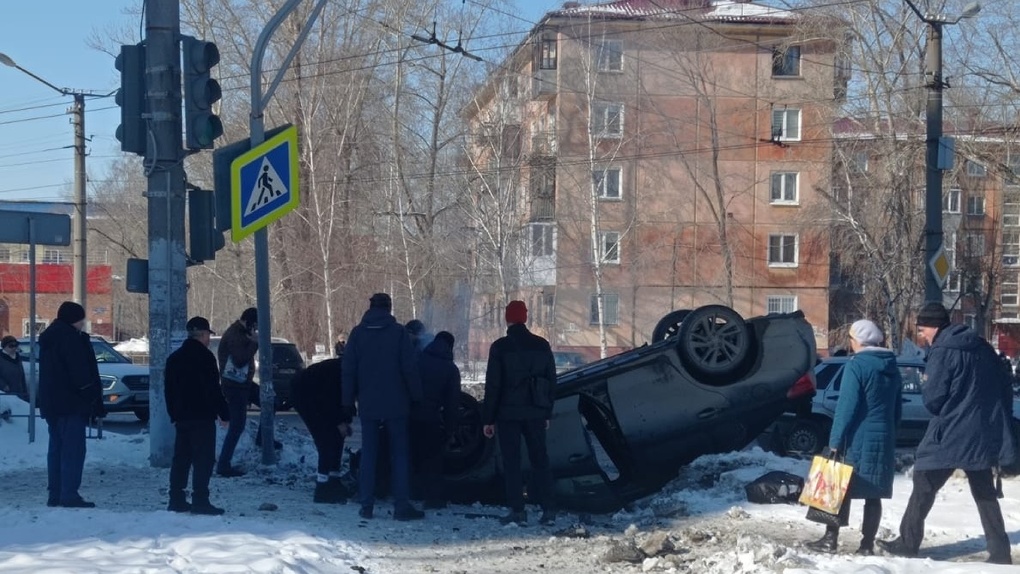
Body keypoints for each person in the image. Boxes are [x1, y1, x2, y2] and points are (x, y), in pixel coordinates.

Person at [877, 302, 1015, 565]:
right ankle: (1000, 553)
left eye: (923, 329)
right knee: (984, 491)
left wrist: (926, 385)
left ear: (935, 327)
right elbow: (1003, 385)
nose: (922, 336)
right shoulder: (981, 347)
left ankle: (908, 542)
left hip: (950, 432)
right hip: (981, 432)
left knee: (924, 482)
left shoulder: (943, 351)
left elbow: (933, 400)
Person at [804, 319, 902, 555]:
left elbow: (846, 407)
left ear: (858, 341)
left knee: (839, 483)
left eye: (851, 339)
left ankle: (830, 539)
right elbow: (897, 409)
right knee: (874, 493)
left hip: (857, 437)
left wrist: (835, 441)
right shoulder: (892, 366)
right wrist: (890, 433)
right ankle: (866, 545)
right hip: (883, 437)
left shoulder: (857, 366)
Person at [342, 293, 425, 521]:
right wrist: (417, 397)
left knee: (369, 452)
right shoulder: (398, 333)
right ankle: (401, 506)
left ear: (370, 308)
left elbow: (348, 370)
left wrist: (347, 402)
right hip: (397, 404)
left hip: (368, 403)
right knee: (399, 454)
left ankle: (366, 505)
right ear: (389, 308)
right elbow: (409, 368)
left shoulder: (357, 333)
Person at [482, 300, 557, 526]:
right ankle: (549, 509)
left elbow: (493, 385)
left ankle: (518, 511)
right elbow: (551, 381)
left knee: (511, 462)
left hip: (507, 414)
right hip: (535, 412)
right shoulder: (542, 345)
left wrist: (488, 418)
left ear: (507, 318)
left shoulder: (500, 347)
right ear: (525, 318)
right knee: (540, 460)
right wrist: (547, 412)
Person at [37, 301, 104, 508]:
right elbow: (80, 373)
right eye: (81, 319)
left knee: (56, 448)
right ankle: (69, 494)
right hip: (71, 402)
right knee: (73, 450)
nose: (82, 323)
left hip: (51, 403)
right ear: (74, 319)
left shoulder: (49, 339)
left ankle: (55, 493)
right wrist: (92, 395)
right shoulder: (71, 340)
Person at [165, 317, 230, 515]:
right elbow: (212, 389)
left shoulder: (174, 358)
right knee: (203, 459)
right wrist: (223, 413)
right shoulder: (205, 358)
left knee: (181, 458)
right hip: (202, 416)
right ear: (203, 335)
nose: (209, 339)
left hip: (182, 417)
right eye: (208, 335)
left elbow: (168, 390)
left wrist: (173, 414)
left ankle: (176, 498)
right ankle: (200, 499)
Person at [291, 357, 353, 504]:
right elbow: (328, 398)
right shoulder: (340, 371)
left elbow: (346, 399)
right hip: (304, 393)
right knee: (325, 439)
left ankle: (334, 479)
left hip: (317, 394)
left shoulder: (351, 369)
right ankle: (322, 487)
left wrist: (346, 421)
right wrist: (339, 421)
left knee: (337, 436)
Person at [410, 330, 461, 508]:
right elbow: (452, 404)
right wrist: (450, 430)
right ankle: (433, 499)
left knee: (409, 455)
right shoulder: (450, 369)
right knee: (432, 459)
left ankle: (409, 491)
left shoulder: (417, 360)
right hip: (431, 419)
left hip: (409, 416)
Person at [216, 307, 259, 477]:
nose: (255, 329)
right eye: (255, 325)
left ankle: (264, 439)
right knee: (237, 425)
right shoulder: (234, 334)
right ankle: (223, 464)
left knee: (271, 402)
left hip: (243, 384)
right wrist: (254, 342)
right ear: (249, 321)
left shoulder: (241, 332)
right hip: (234, 386)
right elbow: (240, 360)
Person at [0, 335, 28, 401]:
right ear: (4, 347)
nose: (14, 348)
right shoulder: (1, 358)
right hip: (6, 393)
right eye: (11, 346)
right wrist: (3, 385)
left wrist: (25, 391)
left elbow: (22, 375)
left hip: (19, 391)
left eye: (16, 345)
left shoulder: (17, 357)